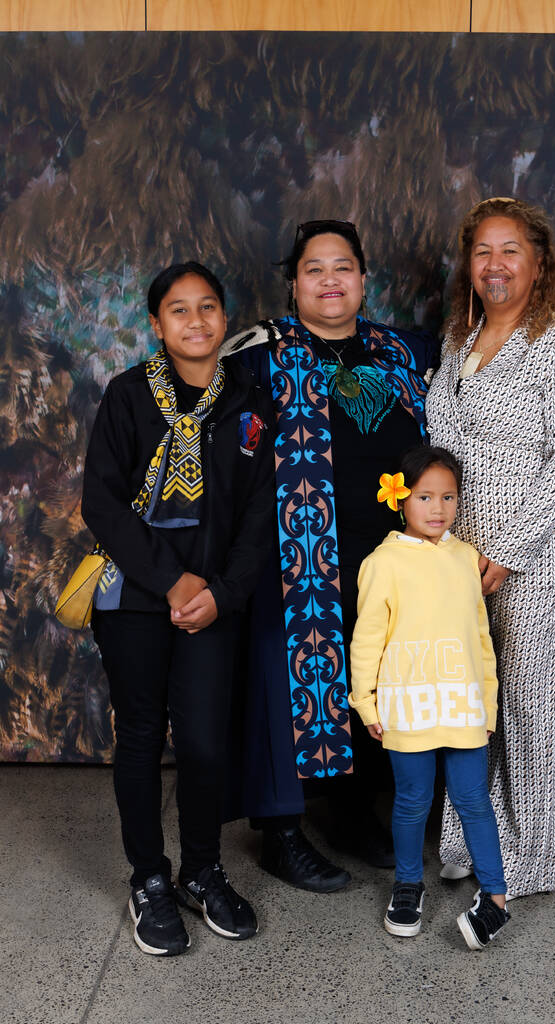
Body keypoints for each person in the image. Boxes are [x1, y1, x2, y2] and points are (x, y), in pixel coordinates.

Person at [220, 220, 438, 892]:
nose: (330, 280)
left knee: (371, 678)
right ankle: (280, 834)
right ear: (293, 284)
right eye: (314, 269)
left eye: (342, 267)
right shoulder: (257, 353)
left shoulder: (402, 351)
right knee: (284, 686)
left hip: (389, 555)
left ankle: (348, 809)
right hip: (296, 554)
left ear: (363, 279)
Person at [82, 262, 274, 955]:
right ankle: (149, 880)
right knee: (139, 733)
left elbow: (259, 515)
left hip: (213, 598)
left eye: (208, 308)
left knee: (202, 740)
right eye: (178, 310)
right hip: (135, 595)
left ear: (224, 318)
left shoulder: (250, 403)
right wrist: (172, 583)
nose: (196, 322)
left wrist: (220, 592)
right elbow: (100, 502)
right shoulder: (128, 396)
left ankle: (201, 869)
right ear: (157, 325)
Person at [426, 197, 555, 899]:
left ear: (538, 263)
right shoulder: (457, 338)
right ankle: (468, 844)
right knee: (468, 704)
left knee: (524, 708)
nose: (493, 265)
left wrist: (504, 550)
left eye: (509, 252)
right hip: (456, 556)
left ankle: (527, 858)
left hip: (528, 558)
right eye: (481, 252)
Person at [349, 446, 510, 948]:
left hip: (462, 704)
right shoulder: (382, 563)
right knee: (413, 801)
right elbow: (367, 638)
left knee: (472, 800)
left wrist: (489, 701)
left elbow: (481, 639)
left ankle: (497, 898)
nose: (437, 508)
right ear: (401, 499)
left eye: (448, 497)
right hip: (408, 706)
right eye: (425, 496)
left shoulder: (466, 559)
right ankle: (407, 885)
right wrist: (366, 702)